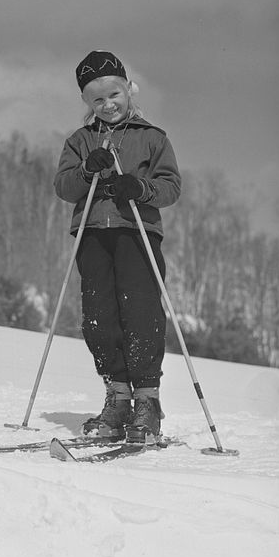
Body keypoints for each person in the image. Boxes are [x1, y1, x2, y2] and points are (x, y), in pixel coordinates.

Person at [54, 51, 181, 443]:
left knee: (140, 312)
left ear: (128, 89)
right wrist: (87, 170)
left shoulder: (152, 137)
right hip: (93, 233)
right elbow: (64, 187)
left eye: (114, 94)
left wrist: (141, 188)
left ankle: (147, 401)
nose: (108, 104)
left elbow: (171, 187)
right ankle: (117, 397)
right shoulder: (79, 141)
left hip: (136, 231)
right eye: (98, 99)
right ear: (87, 104)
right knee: (99, 314)